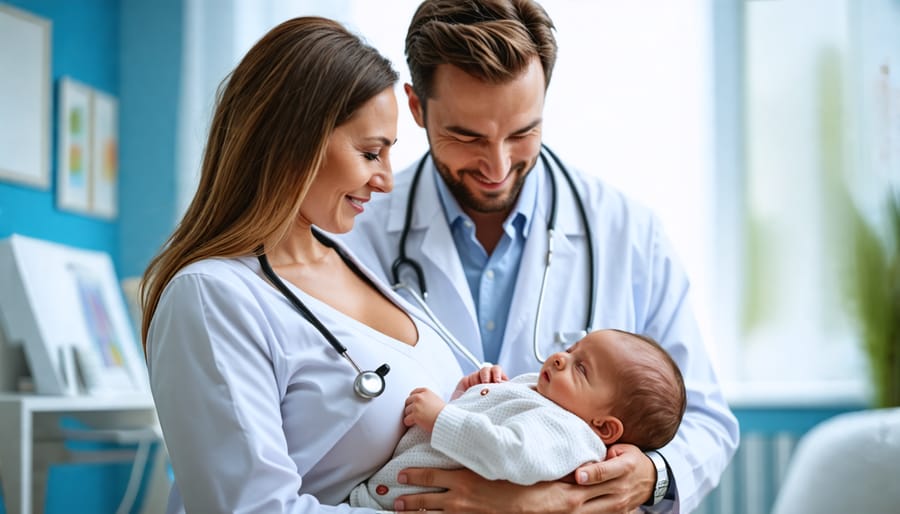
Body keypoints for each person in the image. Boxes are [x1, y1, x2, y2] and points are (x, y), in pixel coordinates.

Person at [336, 0, 741, 512]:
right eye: (467, 136)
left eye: (523, 132)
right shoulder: (354, 231)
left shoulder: (626, 231)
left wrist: (649, 476)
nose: (497, 166)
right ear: (416, 108)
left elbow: (705, 419)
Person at [140, 17, 467, 513]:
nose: (385, 181)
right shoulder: (210, 297)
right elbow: (254, 509)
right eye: (369, 152)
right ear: (294, 140)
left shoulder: (351, 260)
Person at [350, 329, 687, 510]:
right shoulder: (547, 394)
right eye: (571, 349)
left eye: (580, 367)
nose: (559, 358)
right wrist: (473, 392)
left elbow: (509, 453)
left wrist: (442, 418)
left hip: (396, 503)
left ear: (603, 427)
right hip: (382, 496)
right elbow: (480, 432)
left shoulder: (571, 434)